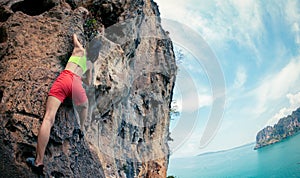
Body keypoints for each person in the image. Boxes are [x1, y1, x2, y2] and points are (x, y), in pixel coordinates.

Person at [26, 34, 94, 175]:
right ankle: (82, 127)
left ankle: (38, 161)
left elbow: (74, 36)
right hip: (76, 83)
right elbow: (88, 82)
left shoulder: (79, 50)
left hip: (65, 77)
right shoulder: (89, 64)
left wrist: (77, 39)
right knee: (85, 105)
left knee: (48, 119)